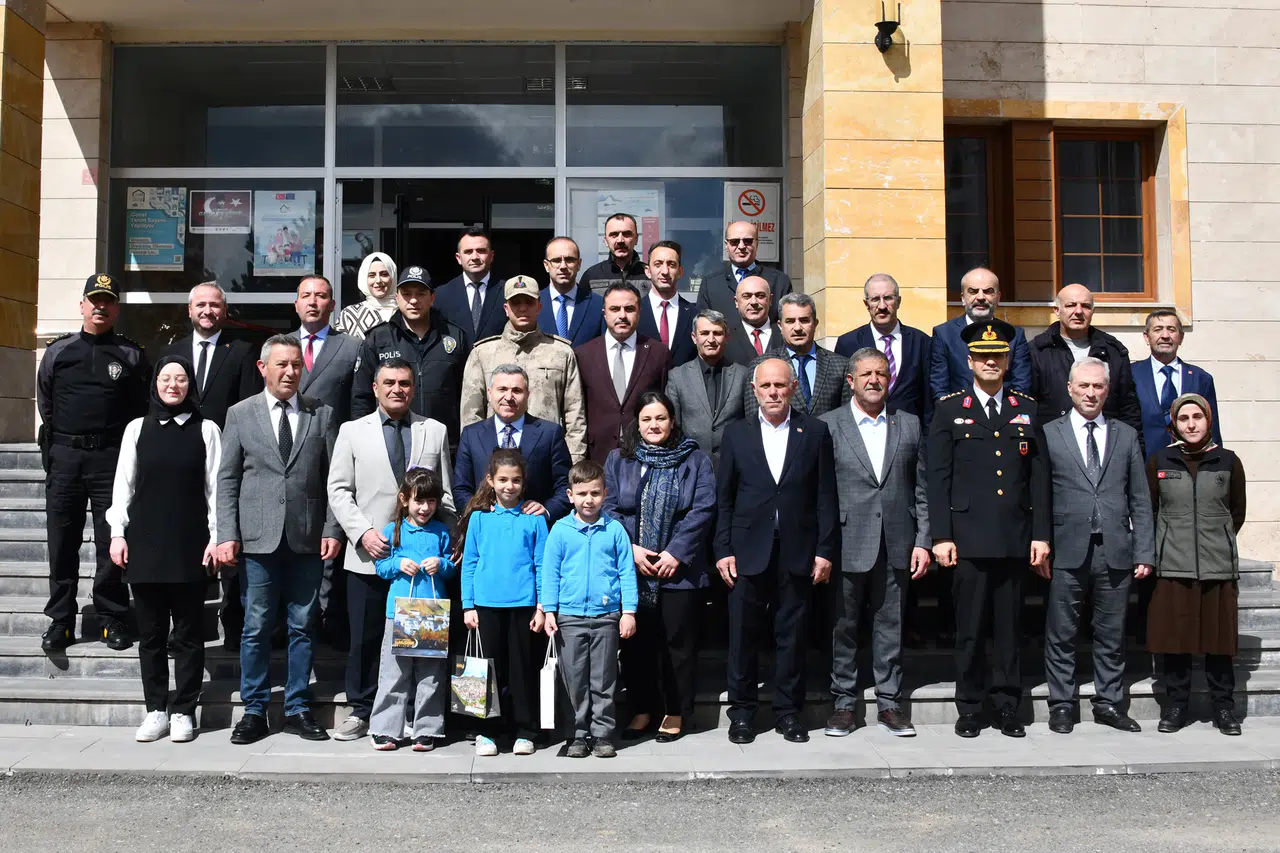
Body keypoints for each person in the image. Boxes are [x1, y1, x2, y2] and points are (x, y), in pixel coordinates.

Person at [217, 335, 343, 746]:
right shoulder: (239, 414)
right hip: (256, 539)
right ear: (263, 367)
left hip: (307, 538)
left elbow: (333, 480)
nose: (290, 372)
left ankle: (297, 707)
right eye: (281, 365)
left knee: (303, 626)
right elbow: (228, 479)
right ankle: (254, 709)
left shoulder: (321, 414)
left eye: (295, 365)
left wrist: (331, 529)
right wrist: (226, 534)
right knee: (255, 627)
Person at [928, 319, 1050, 739]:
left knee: (1008, 630)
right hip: (967, 540)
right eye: (983, 357)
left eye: (997, 356)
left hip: (1015, 538)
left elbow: (1038, 478)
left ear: (1008, 359)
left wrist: (1041, 534)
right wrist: (941, 535)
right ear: (970, 361)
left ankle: (1007, 706)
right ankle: (969, 707)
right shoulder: (949, 410)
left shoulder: (1026, 409)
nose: (990, 362)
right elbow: (938, 478)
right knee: (970, 629)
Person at [326, 359, 456, 743]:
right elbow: (338, 489)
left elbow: (444, 494)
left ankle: (419, 717)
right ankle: (363, 711)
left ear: (413, 387)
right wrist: (363, 533)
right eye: (389, 383)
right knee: (367, 640)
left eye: (404, 383)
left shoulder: (433, 430)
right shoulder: (352, 431)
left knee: (422, 645)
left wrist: (444, 544)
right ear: (376, 386)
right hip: (371, 555)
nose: (397, 389)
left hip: (421, 564)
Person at [715, 357, 838, 745]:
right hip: (747, 550)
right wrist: (722, 550)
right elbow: (725, 500)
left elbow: (826, 497)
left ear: (793, 388)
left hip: (798, 549)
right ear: (754, 390)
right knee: (743, 636)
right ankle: (743, 714)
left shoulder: (815, 432)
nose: (773, 392)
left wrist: (825, 550)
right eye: (766, 386)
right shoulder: (737, 434)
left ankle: (788, 712)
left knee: (792, 633)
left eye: (780, 386)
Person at [106, 355, 221, 744]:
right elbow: (123, 485)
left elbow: (216, 490)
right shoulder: (137, 429)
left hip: (190, 544)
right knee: (152, 635)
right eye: (166, 378)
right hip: (145, 544)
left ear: (191, 385)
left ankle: (185, 711)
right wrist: (117, 533)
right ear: (155, 383)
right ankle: (156, 709)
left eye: (181, 379)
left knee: (188, 634)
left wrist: (216, 537)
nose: (173, 385)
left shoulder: (206, 430)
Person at [820, 348, 931, 738]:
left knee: (890, 626)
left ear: (890, 379)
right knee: (844, 627)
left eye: (881, 373)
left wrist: (923, 540)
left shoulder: (910, 424)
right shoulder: (828, 426)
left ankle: (889, 703)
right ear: (850, 381)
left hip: (897, 540)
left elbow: (921, 488)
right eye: (865, 374)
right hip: (847, 541)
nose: (873, 380)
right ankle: (844, 704)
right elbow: (821, 493)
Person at [1041, 357, 1154, 735]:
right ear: (1070, 388)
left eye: (1098, 387)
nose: (1091, 393)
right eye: (1084, 386)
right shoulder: (1050, 432)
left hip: (1116, 548)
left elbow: (1139, 496)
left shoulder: (1123, 434)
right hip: (1066, 547)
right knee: (1062, 632)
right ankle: (1061, 704)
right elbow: (1040, 496)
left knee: (1110, 632)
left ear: (1107, 390)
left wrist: (1144, 551)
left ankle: (1108, 702)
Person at [38, 274, 151, 652]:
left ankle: (111, 616)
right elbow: (47, 407)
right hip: (66, 458)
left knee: (112, 540)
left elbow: (140, 414)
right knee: (62, 541)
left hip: (110, 459)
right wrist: (54, 458)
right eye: (94, 300)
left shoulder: (130, 355)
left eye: (108, 301)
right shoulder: (58, 352)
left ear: (117, 308)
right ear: (82, 305)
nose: (100, 306)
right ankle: (61, 621)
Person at [604, 392, 716, 743]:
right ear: (636, 424)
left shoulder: (695, 460)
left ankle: (675, 710)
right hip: (632, 568)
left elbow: (702, 509)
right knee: (637, 644)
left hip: (679, 570)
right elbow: (608, 508)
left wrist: (675, 553)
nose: (654, 426)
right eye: (647, 420)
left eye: (661, 418)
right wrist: (632, 550)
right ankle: (641, 708)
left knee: (677, 644)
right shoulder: (618, 460)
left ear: (672, 421)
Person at [1147, 394, 1247, 736]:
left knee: (1219, 643)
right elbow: (1150, 510)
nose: (1191, 424)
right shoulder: (1161, 460)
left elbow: (1237, 512)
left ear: (1209, 420)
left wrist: (1215, 539)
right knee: (1176, 642)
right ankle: (1175, 706)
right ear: (1174, 424)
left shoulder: (1228, 461)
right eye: (1184, 418)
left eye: (1197, 417)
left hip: (1217, 566)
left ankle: (1224, 708)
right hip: (1173, 566)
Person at [542, 459, 638, 759]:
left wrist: (629, 611)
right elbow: (550, 573)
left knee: (603, 679)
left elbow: (626, 571)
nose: (589, 500)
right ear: (570, 495)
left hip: (606, 616)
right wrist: (549, 611)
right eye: (582, 493)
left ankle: (601, 734)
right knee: (573, 679)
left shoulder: (615, 530)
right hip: (569, 618)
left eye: (595, 493)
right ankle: (577, 734)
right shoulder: (560, 530)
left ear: (605, 493)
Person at [456, 449, 550, 757]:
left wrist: (541, 606)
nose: (509, 486)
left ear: (524, 483)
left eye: (516, 480)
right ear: (490, 480)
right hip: (486, 605)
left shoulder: (534, 520)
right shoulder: (479, 519)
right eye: (503, 480)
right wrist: (468, 605)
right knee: (485, 669)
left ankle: (525, 730)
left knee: (523, 670)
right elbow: (469, 563)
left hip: (523, 605)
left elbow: (541, 565)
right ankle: (486, 730)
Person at [368, 468, 455, 751]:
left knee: (431, 674)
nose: (425, 508)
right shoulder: (392, 530)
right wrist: (397, 564)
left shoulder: (442, 532)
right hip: (399, 613)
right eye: (419, 501)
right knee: (394, 673)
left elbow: (453, 566)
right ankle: (386, 729)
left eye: (431, 502)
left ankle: (426, 730)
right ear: (405, 499)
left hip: (432, 614)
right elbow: (381, 567)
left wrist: (441, 565)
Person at [459, 275, 587, 462]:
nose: (522, 308)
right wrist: (478, 461)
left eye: (529, 302)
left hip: (546, 459)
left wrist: (573, 462)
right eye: (515, 302)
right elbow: (471, 415)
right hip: (494, 461)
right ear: (506, 308)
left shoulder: (560, 352)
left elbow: (575, 414)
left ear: (539, 306)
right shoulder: (483, 354)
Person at [351, 265, 470, 446]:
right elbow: (361, 396)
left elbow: (467, 395)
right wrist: (365, 441)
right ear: (397, 298)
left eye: (421, 293)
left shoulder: (455, 337)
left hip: (444, 443)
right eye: (407, 294)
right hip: (389, 442)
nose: (413, 300)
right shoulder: (378, 338)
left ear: (432, 298)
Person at [1029, 284, 1144, 453]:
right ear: (1056, 310)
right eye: (1070, 305)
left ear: (1093, 311)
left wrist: (1136, 453)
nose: (1078, 311)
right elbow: (1029, 409)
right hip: (1053, 450)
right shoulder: (1037, 351)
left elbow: (1129, 408)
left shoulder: (1113, 351)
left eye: (1085, 306)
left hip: (1106, 449)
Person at [454, 364, 573, 522]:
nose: (509, 397)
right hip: (486, 530)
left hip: (535, 530)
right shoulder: (471, 435)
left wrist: (547, 511)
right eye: (502, 389)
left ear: (528, 395)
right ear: (490, 393)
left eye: (516, 390)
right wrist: (478, 512)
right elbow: (460, 488)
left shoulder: (549, 434)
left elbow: (565, 485)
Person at [574, 282, 671, 464]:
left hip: (646, 453)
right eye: (615, 309)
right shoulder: (583, 354)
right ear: (604, 313)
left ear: (639, 312)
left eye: (629, 309)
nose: (622, 315)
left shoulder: (658, 353)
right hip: (597, 455)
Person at [834, 273, 933, 427]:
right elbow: (842, 395)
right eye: (875, 299)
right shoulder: (848, 343)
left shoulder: (922, 342)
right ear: (866, 304)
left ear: (898, 301)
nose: (881, 306)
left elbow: (928, 398)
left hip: (909, 435)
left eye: (888, 298)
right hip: (861, 431)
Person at [163, 281, 261, 428]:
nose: (207, 311)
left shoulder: (243, 352)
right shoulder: (171, 353)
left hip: (226, 441)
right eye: (200, 305)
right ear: (190, 310)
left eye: (214, 305)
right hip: (180, 439)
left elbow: (250, 405)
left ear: (225, 310)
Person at [666, 310, 749, 471]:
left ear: (727, 337)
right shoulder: (677, 377)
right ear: (694, 337)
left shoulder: (743, 375)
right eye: (704, 333)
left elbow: (750, 424)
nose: (711, 340)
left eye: (717, 333)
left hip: (733, 468)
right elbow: (673, 428)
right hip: (690, 468)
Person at [930, 267, 1031, 398]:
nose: (981, 297)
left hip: (1004, 414)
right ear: (963, 297)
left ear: (998, 297)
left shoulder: (1014, 336)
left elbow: (1021, 386)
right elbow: (939, 387)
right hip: (958, 414)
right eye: (973, 291)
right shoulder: (944, 334)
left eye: (988, 291)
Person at [1133, 308, 1222, 459]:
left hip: (1190, 465)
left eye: (1171, 330)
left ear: (1181, 337)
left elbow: (1212, 430)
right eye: (1158, 330)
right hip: (1143, 465)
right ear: (1147, 337)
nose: (1165, 336)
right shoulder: (1131, 375)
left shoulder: (1201, 379)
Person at [756, 292, 846, 417]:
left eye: (804, 320)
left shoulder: (840, 365)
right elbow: (752, 420)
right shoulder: (761, 365)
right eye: (790, 321)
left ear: (815, 324)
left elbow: (847, 416)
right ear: (780, 326)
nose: (797, 327)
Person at [296, 275, 362, 426]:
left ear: (332, 305)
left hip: (334, 442)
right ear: (296, 305)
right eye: (306, 296)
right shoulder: (280, 346)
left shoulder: (353, 346)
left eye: (320, 296)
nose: (312, 302)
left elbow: (359, 403)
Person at [696, 220, 793, 323]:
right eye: (734, 242)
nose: (741, 246)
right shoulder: (710, 284)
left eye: (747, 241)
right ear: (726, 245)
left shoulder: (779, 281)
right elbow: (703, 327)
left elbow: (788, 323)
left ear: (757, 243)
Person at [434, 225, 508, 347]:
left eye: (481, 251)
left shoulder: (507, 292)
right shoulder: (441, 295)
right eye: (468, 252)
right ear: (458, 258)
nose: (474, 257)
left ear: (492, 256)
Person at [637, 240, 696, 367]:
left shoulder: (694, 314)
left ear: (680, 271)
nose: (665, 271)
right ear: (647, 271)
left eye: (671, 264)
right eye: (658, 264)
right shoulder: (634, 312)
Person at [538, 236, 605, 348]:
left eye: (569, 260)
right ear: (546, 265)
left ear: (579, 264)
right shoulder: (533, 303)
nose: (563, 266)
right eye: (556, 260)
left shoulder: (598, 304)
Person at [335, 251, 398, 339]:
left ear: (393, 277)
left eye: (384, 274)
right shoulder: (349, 315)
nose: (378, 280)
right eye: (372, 275)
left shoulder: (405, 311)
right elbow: (340, 349)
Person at [722, 275, 780, 367]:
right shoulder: (725, 339)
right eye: (747, 296)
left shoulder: (784, 335)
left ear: (770, 300)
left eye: (760, 296)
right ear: (736, 302)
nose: (753, 302)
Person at [579, 212, 647, 290]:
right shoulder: (591, 276)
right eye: (614, 235)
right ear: (606, 241)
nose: (620, 240)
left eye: (626, 234)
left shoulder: (650, 275)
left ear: (636, 239)